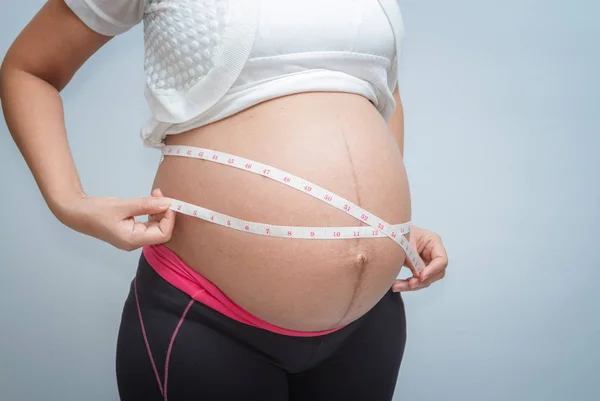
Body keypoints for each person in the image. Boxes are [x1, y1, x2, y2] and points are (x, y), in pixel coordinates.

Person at [0, 0, 449, 400]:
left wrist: (384, 225)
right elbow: (29, 69)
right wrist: (69, 201)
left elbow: (382, 94)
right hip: (208, 317)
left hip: (370, 322)